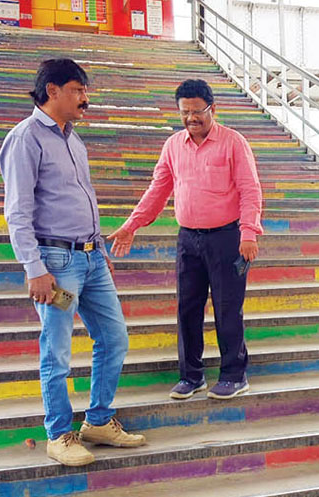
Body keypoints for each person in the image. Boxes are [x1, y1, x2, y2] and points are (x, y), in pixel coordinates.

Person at [0, 59, 146, 467]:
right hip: (56, 264)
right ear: (52, 91)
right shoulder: (25, 139)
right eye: (78, 89)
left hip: (90, 259)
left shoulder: (73, 139)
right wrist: (34, 268)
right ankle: (59, 434)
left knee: (114, 338)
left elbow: (83, 199)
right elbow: (17, 213)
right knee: (57, 352)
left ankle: (97, 421)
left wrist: (99, 251)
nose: (86, 98)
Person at [108, 79, 263, 401]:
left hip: (227, 238)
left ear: (212, 109)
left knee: (227, 309)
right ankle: (191, 376)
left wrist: (249, 233)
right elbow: (158, 189)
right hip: (188, 240)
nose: (191, 118)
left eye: (198, 112)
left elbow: (250, 190)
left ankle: (234, 375)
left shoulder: (233, 142)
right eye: (185, 112)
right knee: (187, 309)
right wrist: (131, 225)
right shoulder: (173, 145)